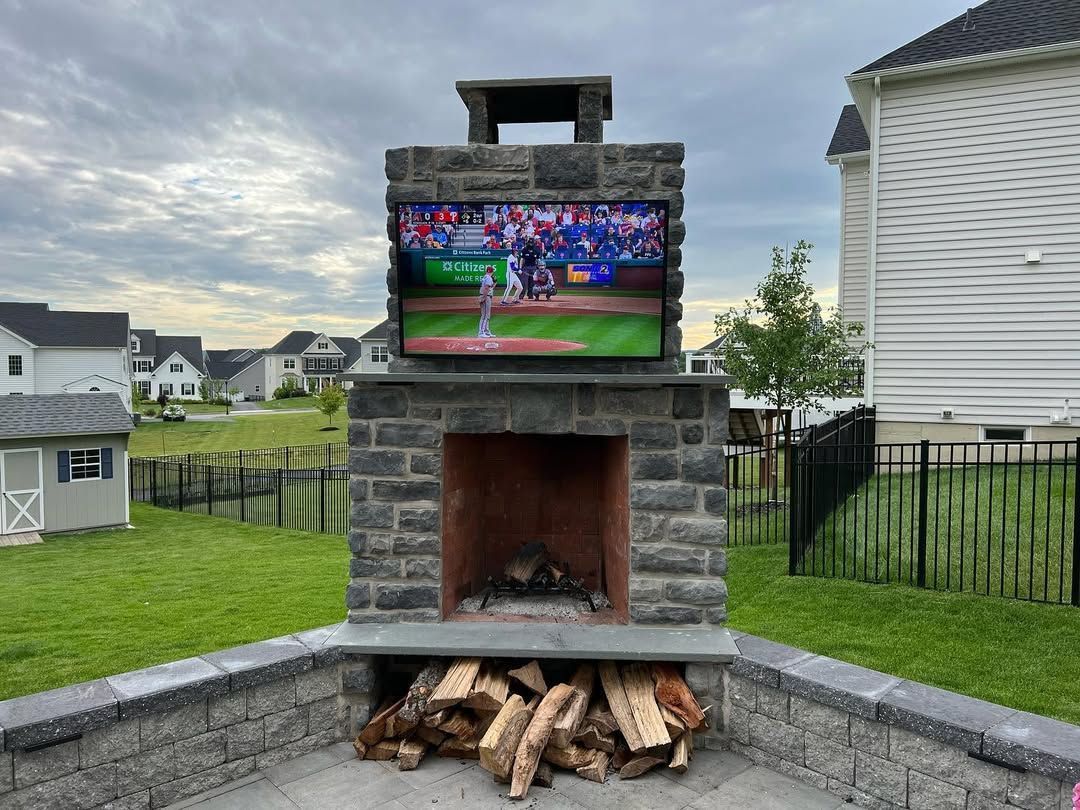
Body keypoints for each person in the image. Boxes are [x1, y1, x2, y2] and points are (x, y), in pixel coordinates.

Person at [519, 236, 542, 301]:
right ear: (528, 243)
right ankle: (521, 296)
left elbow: (538, 260)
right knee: (524, 283)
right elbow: (521, 259)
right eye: (530, 243)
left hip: (534, 267)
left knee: (532, 283)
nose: (531, 244)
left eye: (532, 243)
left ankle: (530, 295)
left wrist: (538, 268)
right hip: (526, 267)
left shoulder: (536, 250)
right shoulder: (524, 249)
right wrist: (520, 268)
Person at [478, 265, 496, 338]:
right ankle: (481, 332)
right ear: (491, 271)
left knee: (487, 315)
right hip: (486, 296)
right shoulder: (488, 278)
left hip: (486, 295)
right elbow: (486, 288)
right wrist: (484, 297)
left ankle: (486, 331)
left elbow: (488, 287)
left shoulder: (485, 277)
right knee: (485, 315)